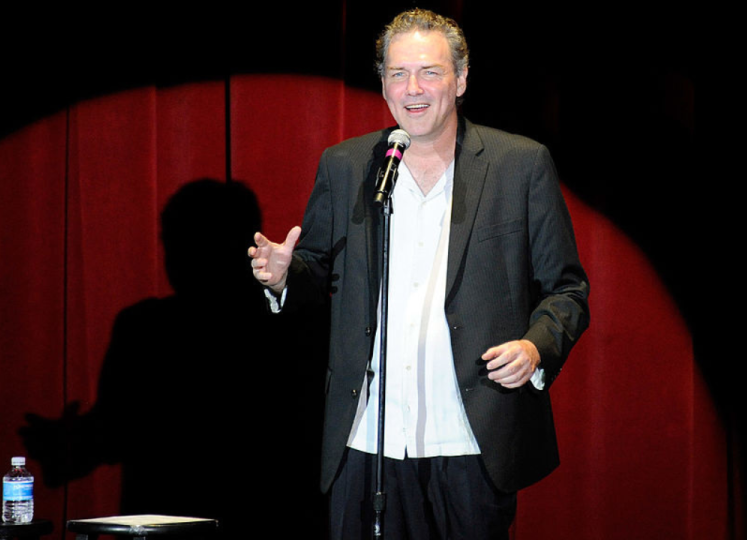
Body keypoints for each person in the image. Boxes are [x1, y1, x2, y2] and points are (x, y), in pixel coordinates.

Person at [248, 8, 589, 540]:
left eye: (430, 72)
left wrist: (534, 348)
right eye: (398, 73)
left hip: (471, 440)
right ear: (382, 81)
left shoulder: (518, 164)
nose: (414, 89)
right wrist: (285, 278)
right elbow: (318, 279)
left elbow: (567, 290)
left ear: (461, 79)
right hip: (367, 441)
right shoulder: (347, 165)